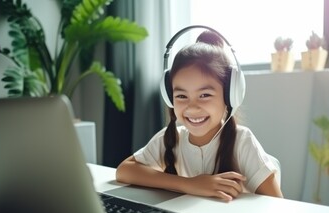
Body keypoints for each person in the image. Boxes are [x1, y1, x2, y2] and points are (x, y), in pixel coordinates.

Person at [116, 30, 283, 201]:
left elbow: (277, 205)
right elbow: (124, 170)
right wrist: (189, 184)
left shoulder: (242, 142)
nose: (192, 107)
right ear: (169, 96)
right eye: (181, 96)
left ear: (229, 95)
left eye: (204, 95)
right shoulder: (171, 138)